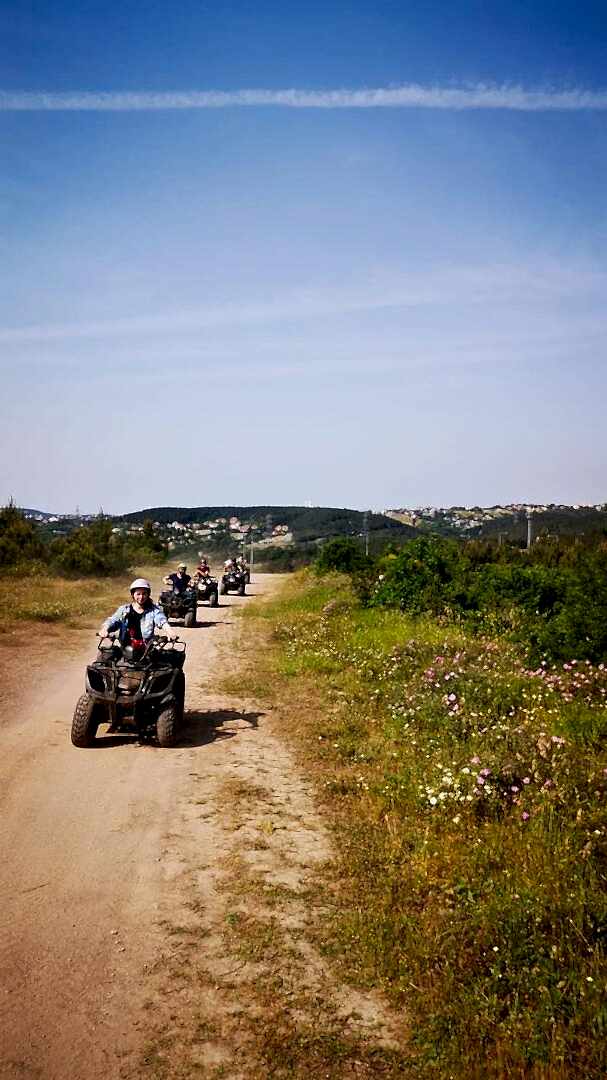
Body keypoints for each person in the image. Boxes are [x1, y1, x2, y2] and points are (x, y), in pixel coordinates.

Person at [99, 579, 173, 649]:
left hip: (146, 650)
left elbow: (161, 621)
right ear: (133, 594)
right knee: (104, 657)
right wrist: (105, 629)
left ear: (148, 594)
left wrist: (170, 631)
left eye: (144, 594)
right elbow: (113, 620)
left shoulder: (154, 610)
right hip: (125, 648)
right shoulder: (124, 609)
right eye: (138, 594)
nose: (141, 597)